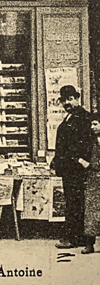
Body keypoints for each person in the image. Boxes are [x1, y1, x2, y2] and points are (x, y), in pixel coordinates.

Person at [51, 85, 93, 249]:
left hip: (77, 168)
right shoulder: (70, 117)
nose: (67, 102)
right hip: (68, 168)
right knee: (72, 202)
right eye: (64, 100)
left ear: (77, 99)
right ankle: (78, 237)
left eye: (70, 99)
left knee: (75, 203)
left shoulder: (84, 118)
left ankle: (74, 238)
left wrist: (78, 160)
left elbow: (85, 144)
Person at [82, 112, 100, 254]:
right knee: (91, 212)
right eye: (91, 124)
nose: (92, 127)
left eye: (95, 124)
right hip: (93, 178)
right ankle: (89, 244)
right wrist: (85, 163)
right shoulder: (89, 141)